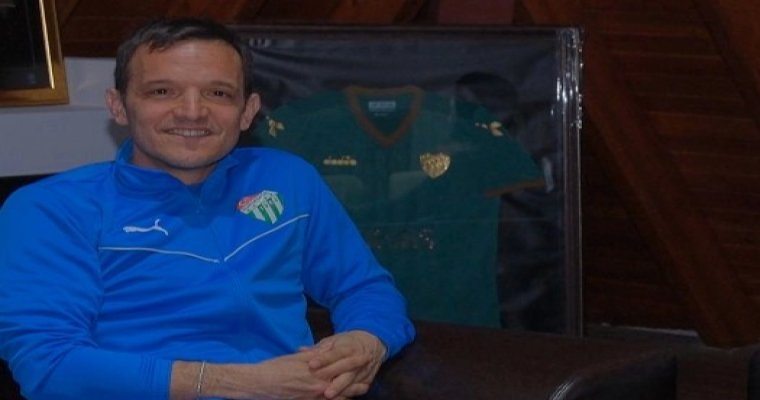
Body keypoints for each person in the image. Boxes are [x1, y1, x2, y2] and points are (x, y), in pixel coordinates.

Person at [0, 17, 415, 400]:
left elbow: (364, 288)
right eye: (162, 91)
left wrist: (366, 340)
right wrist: (241, 383)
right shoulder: (52, 209)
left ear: (248, 110)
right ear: (119, 106)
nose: (192, 112)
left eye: (218, 93)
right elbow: (49, 366)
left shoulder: (288, 178)